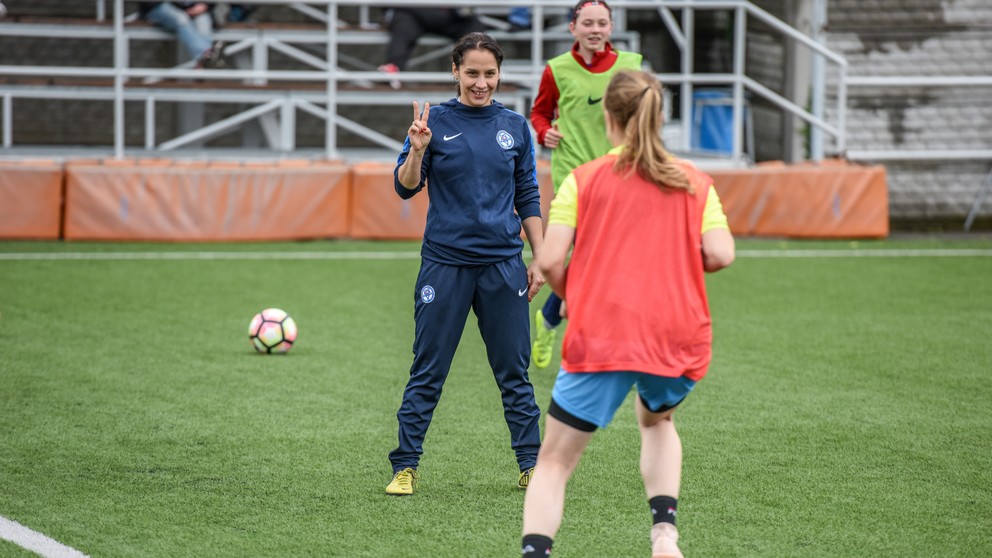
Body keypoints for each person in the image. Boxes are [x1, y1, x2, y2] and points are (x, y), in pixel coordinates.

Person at [520, 69, 736, 558]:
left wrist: (574, 293)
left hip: (605, 331)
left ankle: (536, 553)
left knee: (553, 463)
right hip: (678, 333)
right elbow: (721, 254)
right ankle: (664, 536)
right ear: (660, 117)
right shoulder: (696, 181)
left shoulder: (584, 179)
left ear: (608, 116)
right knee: (657, 422)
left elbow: (551, 259)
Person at [385, 32, 546, 496]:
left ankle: (531, 465)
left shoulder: (514, 126)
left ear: (499, 74)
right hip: (445, 265)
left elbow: (528, 193)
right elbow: (405, 187)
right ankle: (405, 466)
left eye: (489, 73)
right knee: (428, 369)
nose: (481, 83)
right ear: (455, 71)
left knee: (513, 372)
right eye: (472, 73)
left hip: (503, 265)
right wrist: (417, 149)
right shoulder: (431, 121)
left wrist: (539, 255)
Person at [529, 0, 643, 370]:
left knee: (600, 262)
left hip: (620, 174)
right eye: (588, 23)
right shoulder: (557, 70)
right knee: (591, 255)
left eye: (603, 23)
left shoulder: (631, 66)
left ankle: (550, 317)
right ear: (572, 28)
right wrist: (544, 132)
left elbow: (646, 113)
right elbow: (540, 112)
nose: (596, 30)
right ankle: (588, 338)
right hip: (572, 177)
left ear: (611, 28)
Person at [377, 6, 486, 90]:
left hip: (447, 14)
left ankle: (477, 69)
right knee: (404, 24)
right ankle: (393, 67)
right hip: (410, 12)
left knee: (473, 26)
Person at [139, 2, 225, 68]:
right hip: (159, 8)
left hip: (190, 9)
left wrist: (204, 6)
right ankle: (206, 56)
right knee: (180, 17)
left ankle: (204, 61)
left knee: (203, 20)